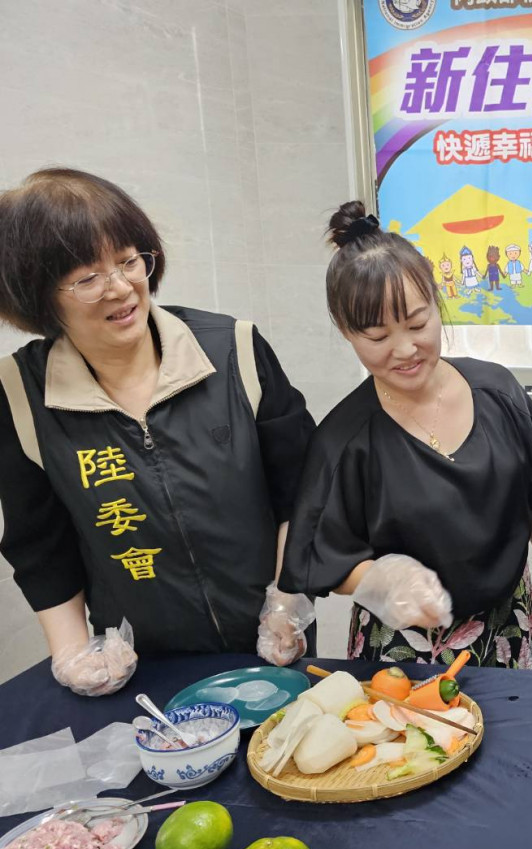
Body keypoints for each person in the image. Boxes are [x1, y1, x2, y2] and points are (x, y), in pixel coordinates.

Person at [0, 168, 316, 696]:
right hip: (140, 672)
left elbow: (303, 494)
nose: (121, 288)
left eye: (128, 261)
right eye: (87, 277)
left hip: (270, 646)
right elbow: (39, 546)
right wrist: (73, 653)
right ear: (39, 297)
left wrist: (287, 604)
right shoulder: (20, 393)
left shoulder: (234, 350)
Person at [279, 204, 532, 668]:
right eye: (378, 337)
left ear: (437, 304)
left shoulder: (498, 390)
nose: (405, 350)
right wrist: (383, 579)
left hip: (512, 628)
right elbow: (326, 559)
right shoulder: (344, 441)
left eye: (418, 324)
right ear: (346, 332)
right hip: (404, 648)